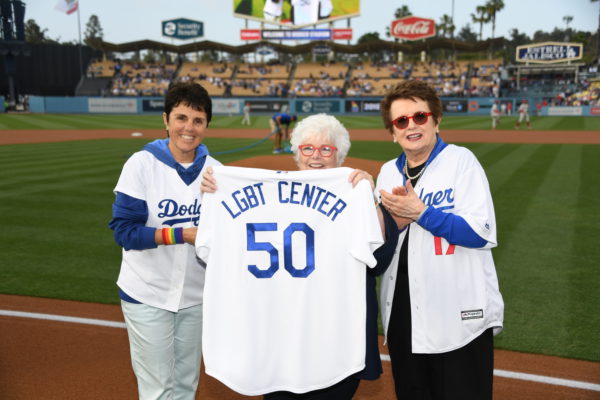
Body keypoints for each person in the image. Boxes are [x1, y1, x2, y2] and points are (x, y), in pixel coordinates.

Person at [201, 113, 393, 400]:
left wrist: (369, 198)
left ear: (339, 155)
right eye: (308, 148)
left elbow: (379, 258)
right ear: (297, 153)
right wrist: (215, 193)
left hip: (332, 335)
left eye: (326, 149)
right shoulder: (260, 192)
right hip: (278, 336)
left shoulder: (354, 192)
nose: (316, 156)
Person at [374, 80, 504, 400]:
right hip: (404, 314)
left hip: (459, 312)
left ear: (436, 119)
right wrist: (391, 225)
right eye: (401, 121)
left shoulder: (461, 162)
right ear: (393, 131)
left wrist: (422, 213)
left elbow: (480, 233)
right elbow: (377, 255)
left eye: (420, 116)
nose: (411, 126)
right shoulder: (387, 173)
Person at [108, 82, 223, 400]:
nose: (189, 128)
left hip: (195, 297)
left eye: (198, 120)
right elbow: (124, 232)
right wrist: (181, 234)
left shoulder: (217, 174)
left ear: (206, 126)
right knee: (158, 389)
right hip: (147, 293)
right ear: (166, 120)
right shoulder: (141, 164)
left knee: (187, 384)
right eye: (181, 118)